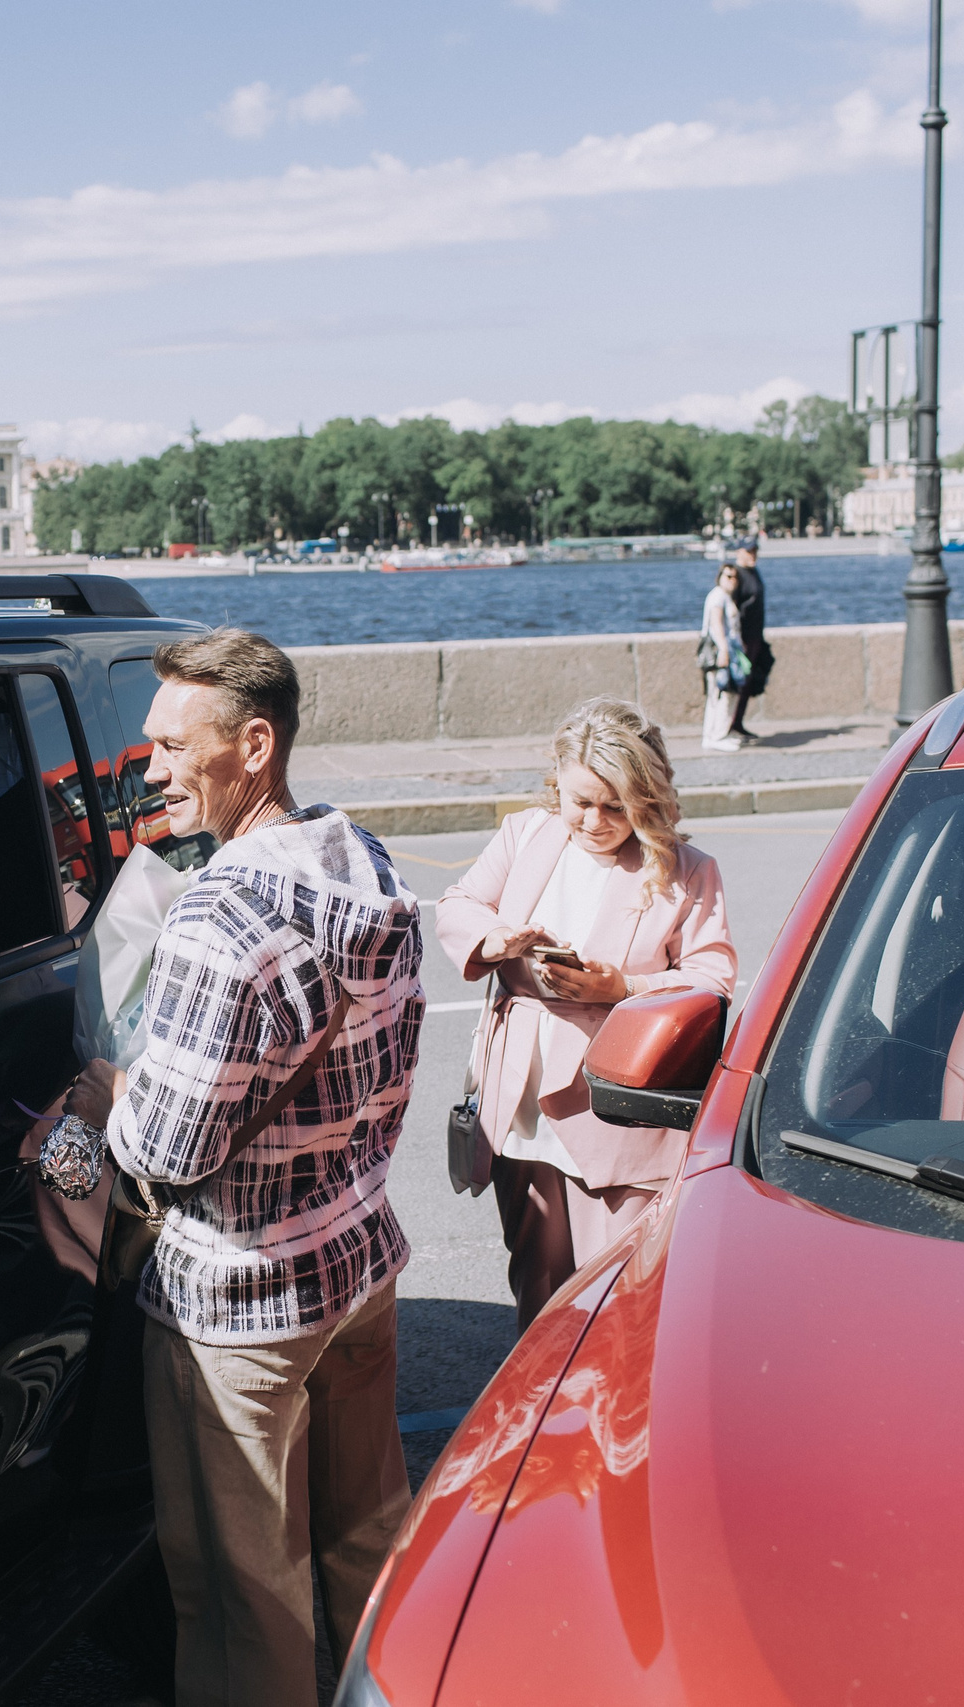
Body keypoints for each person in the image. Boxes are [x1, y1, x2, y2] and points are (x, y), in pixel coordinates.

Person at [58, 628, 421, 1707]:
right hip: (356, 1262)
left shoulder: (221, 909)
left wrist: (101, 1097)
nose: (152, 769)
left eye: (174, 746)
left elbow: (165, 1147)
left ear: (252, 744)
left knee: (237, 1590)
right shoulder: (358, 854)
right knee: (367, 1538)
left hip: (242, 1306)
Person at [436, 698, 736, 1326]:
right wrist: (494, 940)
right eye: (580, 801)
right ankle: (539, 1414)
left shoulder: (686, 870)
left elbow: (713, 979)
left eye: (615, 805)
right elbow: (460, 902)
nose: (594, 820)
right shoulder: (527, 834)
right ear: (558, 783)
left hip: (615, 1103)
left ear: (646, 798)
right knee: (538, 1286)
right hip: (520, 1097)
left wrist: (620, 985)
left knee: (619, 1295)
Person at [729, 536, 774, 742]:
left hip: (756, 637)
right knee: (737, 683)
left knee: (749, 683)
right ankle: (727, 727)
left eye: (755, 551)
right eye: (748, 551)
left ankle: (738, 723)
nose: (753, 555)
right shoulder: (735, 575)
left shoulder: (754, 572)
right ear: (738, 552)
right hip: (742, 640)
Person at [699, 559, 746, 753]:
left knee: (725, 693)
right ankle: (714, 736)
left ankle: (719, 733)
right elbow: (716, 624)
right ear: (719, 577)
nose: (732, 580)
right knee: (720, 694)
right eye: (728, 576)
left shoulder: (724, 596)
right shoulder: (718, 596)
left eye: (735, 577)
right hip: (720, 653)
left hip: (728, 652)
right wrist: (724, 650)